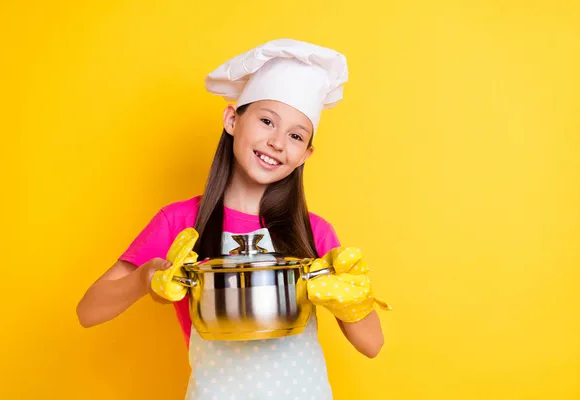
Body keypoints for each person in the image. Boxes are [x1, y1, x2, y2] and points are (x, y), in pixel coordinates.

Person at [77, 38, 385, 399]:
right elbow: (88, 311)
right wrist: (146, 278)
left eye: (296, 136)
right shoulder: (181, 222)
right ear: (232, 119)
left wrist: (348, 299)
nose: (277, 142)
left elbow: (372, 344)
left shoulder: (314, 232)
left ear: (305, 154)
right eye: (267, 121)